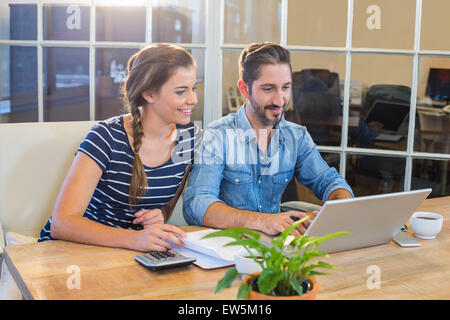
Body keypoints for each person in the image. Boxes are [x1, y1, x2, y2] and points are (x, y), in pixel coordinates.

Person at [38, 43, 200, 252]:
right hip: (70, 252)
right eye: (181, 92)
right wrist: (135, 240)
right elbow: (63, 224)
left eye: (194, 88)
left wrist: (160, 215)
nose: (193, 100)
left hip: (125, 257)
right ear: (149, 94)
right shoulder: (105, 136)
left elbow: (166, 207)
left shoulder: (189, 138)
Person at [183, 42, 353, 236]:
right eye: (268, 89)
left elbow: (330, 182)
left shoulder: (296, 136)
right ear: (245, 90)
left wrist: (337, 210)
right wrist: (264, 221)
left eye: (285, 87)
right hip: (228, 246)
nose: (279, 100)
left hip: (275, 247)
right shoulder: (217, 136)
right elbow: (197, 204)